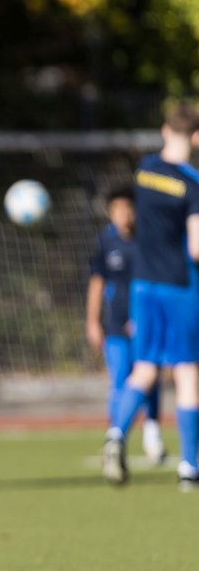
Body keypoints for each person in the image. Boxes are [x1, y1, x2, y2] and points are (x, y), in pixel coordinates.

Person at [102, 106, 199, 487]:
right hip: (179, 286)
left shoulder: (144, 170)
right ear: (195, 138)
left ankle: (116, 434)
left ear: (164, 130)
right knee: (187, 371)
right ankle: (190, 467)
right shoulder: (192, 184)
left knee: (145, 368)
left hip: (143, 284)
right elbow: (196, 249)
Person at [85, 187, 166, 465]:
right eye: (118, 210)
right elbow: (97, 283)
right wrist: (92, 321)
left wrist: (145, 317)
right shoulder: (106, 241)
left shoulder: (147, 240)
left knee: (150, 378)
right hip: (116, 326)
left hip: (146, 322)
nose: (124, 215)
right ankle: (115, 438)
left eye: (129, 209)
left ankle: (152, 433)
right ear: (110, 213)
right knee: (120, 379)